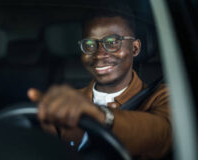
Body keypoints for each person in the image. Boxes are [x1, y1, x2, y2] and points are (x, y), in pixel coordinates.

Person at [27, 10, 172, 159]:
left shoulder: (161, 96)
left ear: (135, 48)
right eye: (89, 44)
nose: (99, 54)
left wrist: (101, 116)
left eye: (112, 43)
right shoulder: (71, 101)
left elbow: (162, 135)